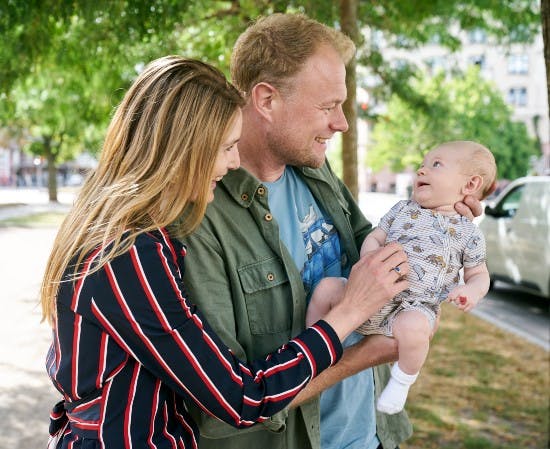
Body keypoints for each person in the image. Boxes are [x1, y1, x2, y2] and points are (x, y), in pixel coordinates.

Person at [40, 56, 407, 449]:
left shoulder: (147, 236)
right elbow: (241, 397)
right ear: (183, 150)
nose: (234, 162)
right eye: (226, 147)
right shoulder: (126, 254)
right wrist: (348, 315)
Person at [179, 13, 484, 449]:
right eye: (327, 107)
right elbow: (224, 409)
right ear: (266, 101)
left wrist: (441, 216)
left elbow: (382, 256)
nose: (342, 123)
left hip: (372, 436)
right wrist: (366, 353)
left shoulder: (316, 172)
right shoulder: (200, 218)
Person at [307, 140, 496, 415]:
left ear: (469, 186)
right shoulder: (402, 210)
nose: (422, 170)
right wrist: (369, 259)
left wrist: (471, 291)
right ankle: (315, 344)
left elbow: (479, 274)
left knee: (415, 329)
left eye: (436, 164)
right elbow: (375, 236)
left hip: (413, 307)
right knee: (326, 288)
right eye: (422, 164)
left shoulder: (469, 233)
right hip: (367, 293)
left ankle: (401, 381)